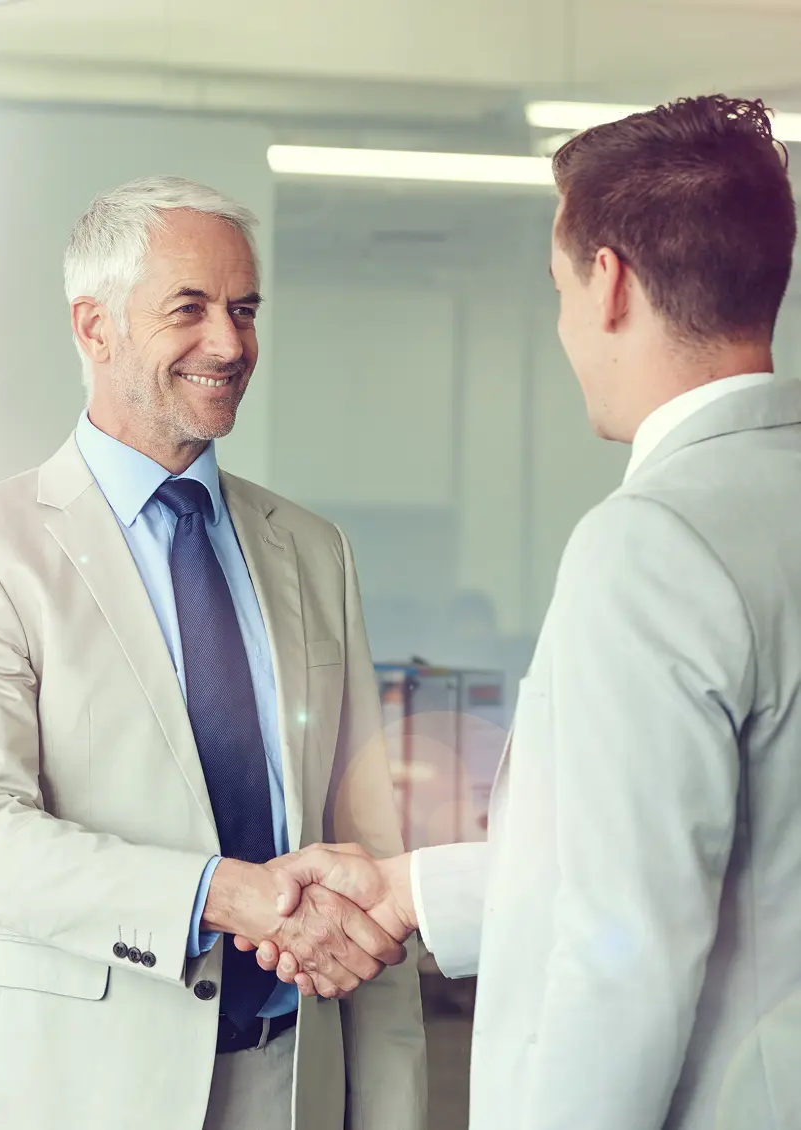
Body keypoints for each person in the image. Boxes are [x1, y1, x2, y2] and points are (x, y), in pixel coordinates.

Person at [250, 95, 801, 1129]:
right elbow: (697, 856)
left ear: (608, 284)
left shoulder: (653, 542)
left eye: (555, 288)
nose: (560, 327)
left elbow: (621, 945)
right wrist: (409, 887)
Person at [0, 176, 426, 1130]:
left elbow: (369, 848)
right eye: (188, 309)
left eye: (244, 309)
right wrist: (226, 895)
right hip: (77, 1092)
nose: (229, 344)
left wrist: (390, 1108)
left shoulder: (314, 549)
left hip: (289, 1083)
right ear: (95, 327)